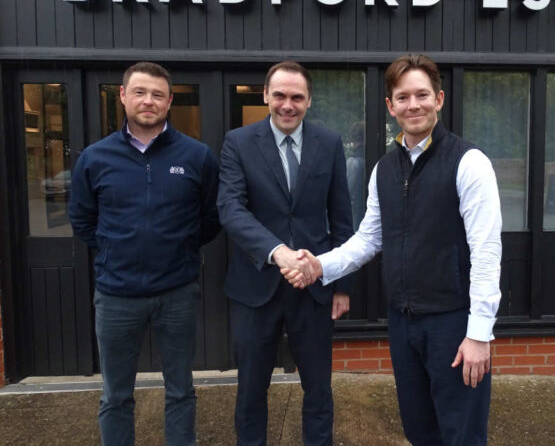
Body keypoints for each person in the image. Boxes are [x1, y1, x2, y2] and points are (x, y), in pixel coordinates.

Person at [283, 54, 502, 446]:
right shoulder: (384, 169)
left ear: (439, 99)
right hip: (403, 323)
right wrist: (319, 265)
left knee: (462, 435)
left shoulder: (469, 163)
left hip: (453, 323)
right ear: (390, 106)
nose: (413, 105)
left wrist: (479, 333)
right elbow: (369, 239)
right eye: (403, 97)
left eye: (422, 95)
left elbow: (486, 250)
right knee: (420, 431)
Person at [68, 62, 221, 446]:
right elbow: (83, 221)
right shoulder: (95, 158)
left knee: (181, 389)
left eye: (157, 94)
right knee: (115, 395)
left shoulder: (197, 156)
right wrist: (117, 251)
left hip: (177, 293)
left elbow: (210, 219)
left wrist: (178, 250)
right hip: (116, 296)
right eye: (139, 92)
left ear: (169, 102)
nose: (148, 101)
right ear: (123, 96)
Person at [217, 61, 354, 446]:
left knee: (318, 389)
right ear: (265, 95)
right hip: (255, 287)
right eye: (279, 95)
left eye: (297, 97)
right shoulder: (239, 142)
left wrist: (341, 284)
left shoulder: (329, 143)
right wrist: (277, 252)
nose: (287, 105)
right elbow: (231, 208)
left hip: (314, 288)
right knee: (251, 390)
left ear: (309, 100)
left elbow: (341, 215)